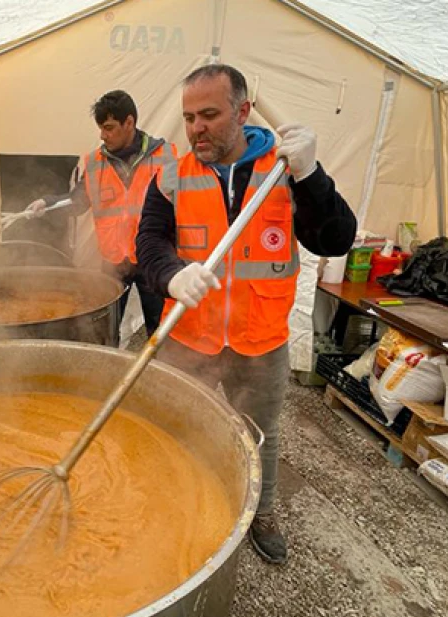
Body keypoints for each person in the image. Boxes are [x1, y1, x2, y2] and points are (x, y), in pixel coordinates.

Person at [135, 64, 357, 564]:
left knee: (259, 431)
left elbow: (335, 238)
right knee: (174, 424)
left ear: (242, 111)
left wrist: (313, 176)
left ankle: (261, 513)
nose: (197, 128)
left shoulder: (285, 169)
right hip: (191, 336)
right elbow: (148, 241)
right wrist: (170, 273)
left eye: (210, 115)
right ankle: (174, 502)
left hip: (260, 337)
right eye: (189, 117)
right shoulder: (172, 173)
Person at [25, 90, 178, 336]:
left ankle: (155, 372)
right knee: (105, 330)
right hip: (114, 262)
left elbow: (182, 207)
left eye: (108, 127)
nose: (102, 135)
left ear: (129, 123)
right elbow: (77, 201)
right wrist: (47, 202)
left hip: (153, 258)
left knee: (160, 331)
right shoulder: (95, 162)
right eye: (101, 128)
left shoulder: (165, 156)